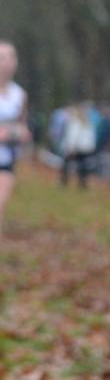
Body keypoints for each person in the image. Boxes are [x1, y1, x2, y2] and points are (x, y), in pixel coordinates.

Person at [0, 42, 30, 235]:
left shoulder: (20, 94)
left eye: (11, 57)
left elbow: (23, 125)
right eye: (2, 58)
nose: (7, 62)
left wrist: (20, 133)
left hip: (6, 158)